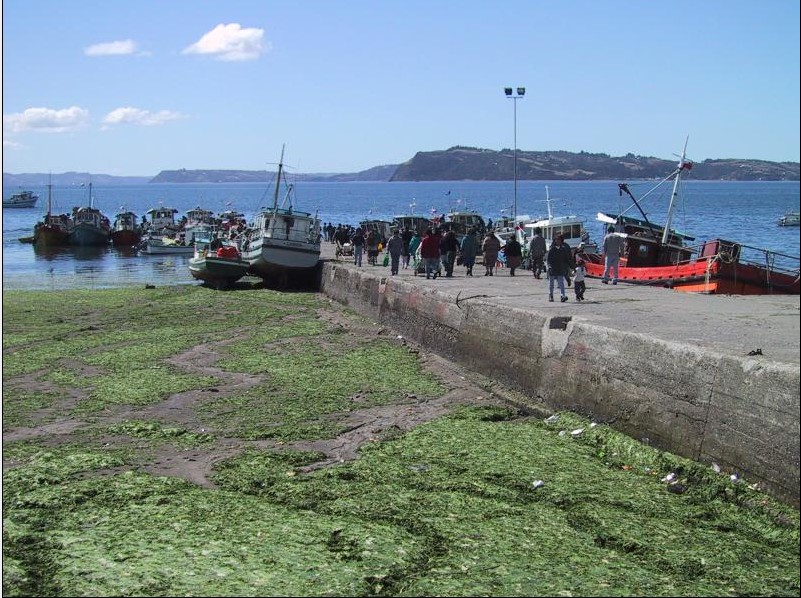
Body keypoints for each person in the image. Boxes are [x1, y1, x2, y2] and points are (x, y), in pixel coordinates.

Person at [546, 233, 573, 302]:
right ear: (554, 241)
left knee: (561, 283)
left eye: (559, 240)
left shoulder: (563, 249)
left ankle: (562, 296)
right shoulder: (552, 249)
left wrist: (572, 266)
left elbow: (566, 259)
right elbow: (548, 259)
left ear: (561, 241)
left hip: (560, 268)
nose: (557, 241)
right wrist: (549, 267)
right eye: (556, 240)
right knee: (551, 283)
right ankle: (551, 296)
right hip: (552, 268)